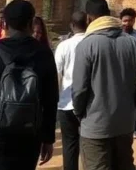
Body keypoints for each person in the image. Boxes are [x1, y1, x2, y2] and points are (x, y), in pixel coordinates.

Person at [0, 0, 59, 170]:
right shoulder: (44, 53)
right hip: (29, 135)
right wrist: (48, 139)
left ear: (4, 23)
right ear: (31, 23)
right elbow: (50, 100)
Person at [72, 0, 136, 170]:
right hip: (124, 123)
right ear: (109, 15)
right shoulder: (132, 42)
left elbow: (79, 89)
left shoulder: (86, 45)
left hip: (95, 125)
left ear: (89, 18)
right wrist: (133, 102)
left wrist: (79, 113)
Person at [54, 11, 87, 170]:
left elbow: (57, 74)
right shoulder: (92, 43)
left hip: (66, 102)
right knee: (89, 145)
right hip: (89, 103)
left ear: (71, 25)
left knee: (69, 144)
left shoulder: (63, 46)